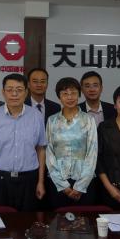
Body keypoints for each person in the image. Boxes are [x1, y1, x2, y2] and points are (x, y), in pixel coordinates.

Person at [0, 73, 46, 211]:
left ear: (26, 92)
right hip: (0, 179)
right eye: (9, 90)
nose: (14, 94)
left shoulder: (36, 116)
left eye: (19, 90)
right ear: (3, 92)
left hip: (29, 179)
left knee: (27, 219)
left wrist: (40, 182)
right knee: (1, 219)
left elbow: (41, 149)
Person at [45, 77, 98, 208]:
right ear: (59, 96)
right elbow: (49, 152)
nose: (70, 97)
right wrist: (63, 186)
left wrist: (80, 186)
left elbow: (92, 152)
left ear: (79, 94)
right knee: (58, 219)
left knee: (84, 219)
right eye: (65, 94)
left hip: (84, 181)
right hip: (58, 182)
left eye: (73, 93)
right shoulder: (52, 120)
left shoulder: (88, 120)